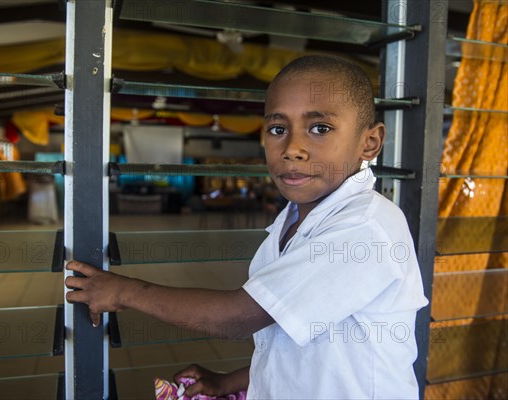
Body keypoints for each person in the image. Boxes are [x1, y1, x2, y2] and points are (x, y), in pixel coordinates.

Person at [65, 55, 428, 399]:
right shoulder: (294, 219)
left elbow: (237, 318)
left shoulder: (364, 227)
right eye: (277, 128)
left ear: (370, 142)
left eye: (320, 128)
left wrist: (123, 291)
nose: (293, 148)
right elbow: (294, 344)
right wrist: (228, 382)